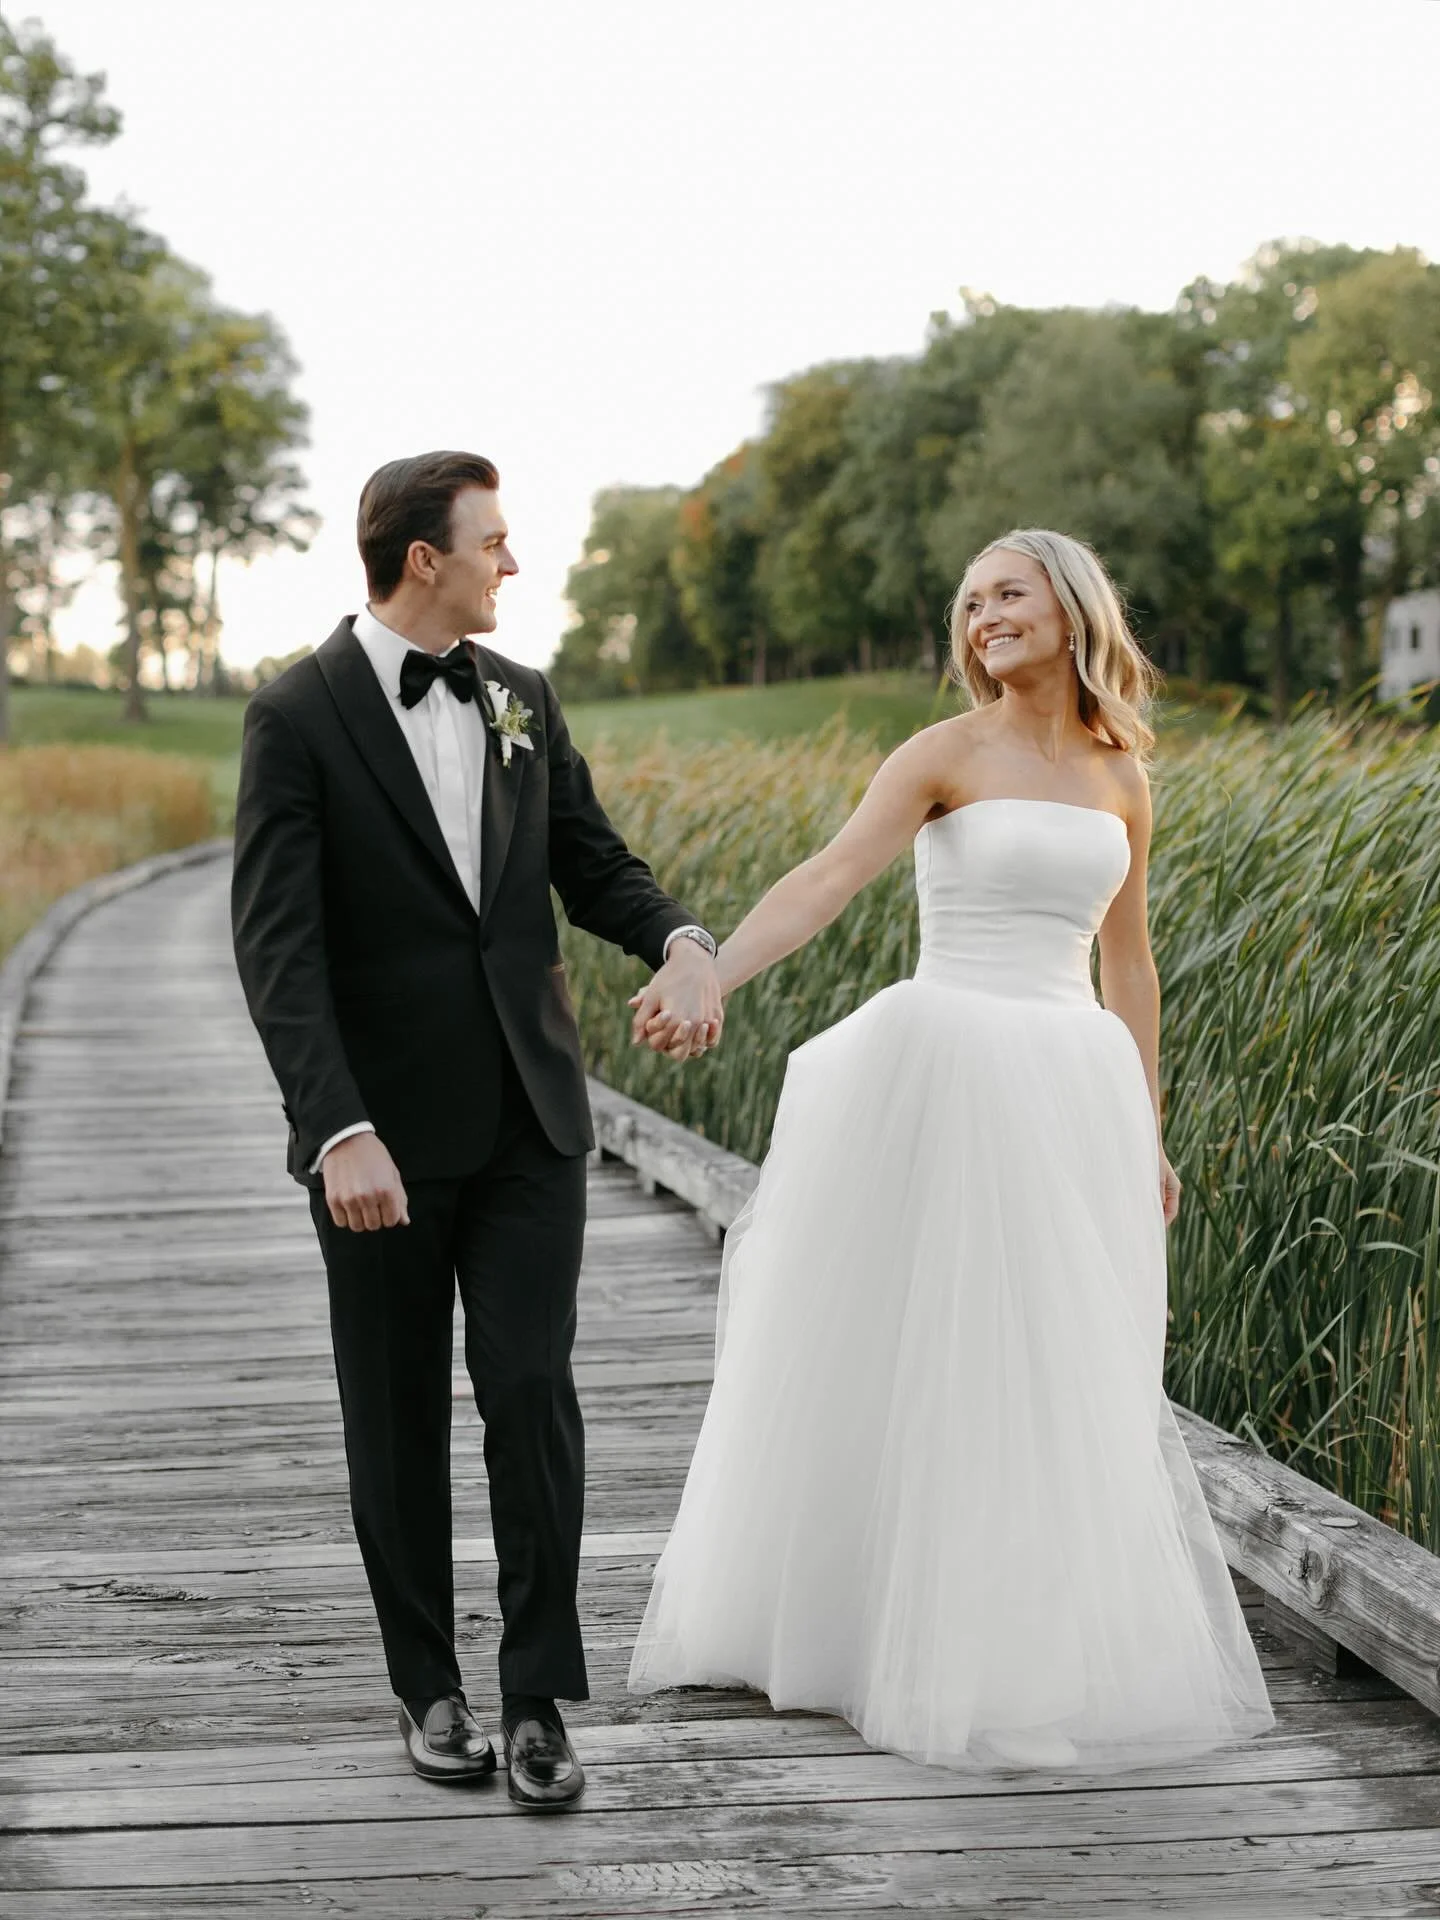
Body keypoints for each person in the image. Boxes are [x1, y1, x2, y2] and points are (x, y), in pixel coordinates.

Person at [626, 529, 1275, 1772]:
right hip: (946, 1063)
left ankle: (1021, 1643)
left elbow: (1126, 965)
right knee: (929, 1347)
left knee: (1057, 1360)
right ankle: (858, 1632)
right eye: (970, 602)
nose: (984, 616)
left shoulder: (1121, 774)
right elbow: (829, 877)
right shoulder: (941, 754)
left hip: (1071, 1080)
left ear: (1071, 604)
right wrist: (707, 964)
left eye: (1008, 593)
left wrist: (1146, 1128)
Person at [231, 451, 722, 1809]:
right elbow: (279, 951)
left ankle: (536, 1700)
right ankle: (428, 1690)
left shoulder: (521, 697)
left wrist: (682, 942)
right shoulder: (297, 716)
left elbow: (591, 860)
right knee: (395, 1417)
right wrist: (337, 1130)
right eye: (494, 543)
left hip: (528, 1120)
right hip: (378, 1141)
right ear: (422, 559)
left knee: (530, 1395)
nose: (515, 563)